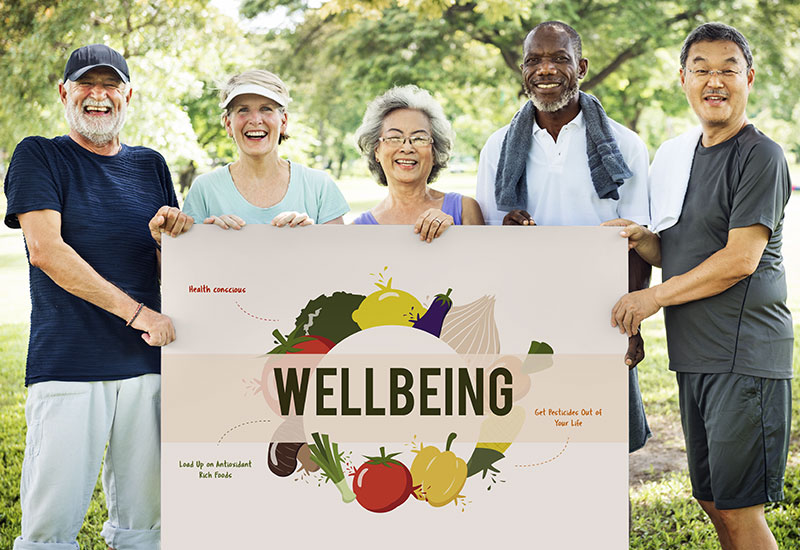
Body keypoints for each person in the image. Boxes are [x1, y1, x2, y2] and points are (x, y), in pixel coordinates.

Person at [3, 44, 193, 549]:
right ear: (65, 92)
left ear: (127, 96)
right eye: (87, 84)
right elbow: (46, 251)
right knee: (50, 530)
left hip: (146, 364)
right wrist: (136, 312)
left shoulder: (151, 165)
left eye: (111, 85)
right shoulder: (38, 154)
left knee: (146, 528)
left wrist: (161, 240)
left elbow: (171, 268)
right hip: (69, 363)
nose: (99, 95)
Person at [612, 23, 792, 550]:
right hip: (696, 357)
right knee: (713, 501)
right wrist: (643, 240)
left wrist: (650, 298)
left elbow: (739, 260)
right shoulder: (680, 156)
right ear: (683, 80)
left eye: (728, 69)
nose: (715, 81)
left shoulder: (760, 155)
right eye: (702, 70)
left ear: (749, 78)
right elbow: (681, 252)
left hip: (744, 359)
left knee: (741, 511)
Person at [475, 21, 651, 453]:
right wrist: (506, 232)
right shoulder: (498, 149)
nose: (546, 69)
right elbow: (483, 243)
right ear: (522, 71)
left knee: (603, 449)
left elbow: (640, 242)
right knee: (525, 443)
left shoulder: (626, 146)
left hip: (600, 317)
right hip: (523, 315)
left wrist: (630, 325)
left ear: (582, 67)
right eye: (534, 60)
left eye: (559, 58)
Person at [182, 69, 348, 229]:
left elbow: (340, 255)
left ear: (283, 121)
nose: (255, 120)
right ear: (228, 124)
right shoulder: (204, 189)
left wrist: (311, 235)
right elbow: (186, 255)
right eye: (243, 110)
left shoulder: (319, 186)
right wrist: (209, 237)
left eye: (266, 109)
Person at [353, 85, 484, 241]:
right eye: (394, 138)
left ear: (435, 152)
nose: (407, 148)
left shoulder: (465, 210)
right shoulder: (358, 229)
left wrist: (453, 234)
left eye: (419, 139)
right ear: (376, 151)